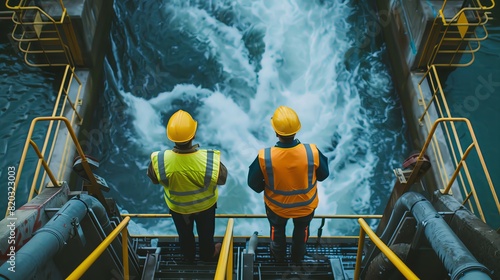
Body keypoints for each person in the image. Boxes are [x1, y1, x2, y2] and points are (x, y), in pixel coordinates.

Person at [247, 105, 330, 263]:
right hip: (305, 206)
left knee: (277, 230)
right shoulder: (311, 152)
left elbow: (254, 184)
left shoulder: (265, 156)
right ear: (296, 130)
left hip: (277, 207)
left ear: (276, 132)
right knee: (302, 230)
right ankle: (297, 258)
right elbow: (323, 175)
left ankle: (278, 258)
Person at [147, 109, 228, 262]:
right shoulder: (209, 159)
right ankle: (207, 254)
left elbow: (154, 178)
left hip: (178, 208)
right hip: (205, 207)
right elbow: (222, 178)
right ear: (193, 135)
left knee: (184, 234)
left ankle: (188, 257)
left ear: (170, 138)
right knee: (206, 234)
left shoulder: (160, 159)